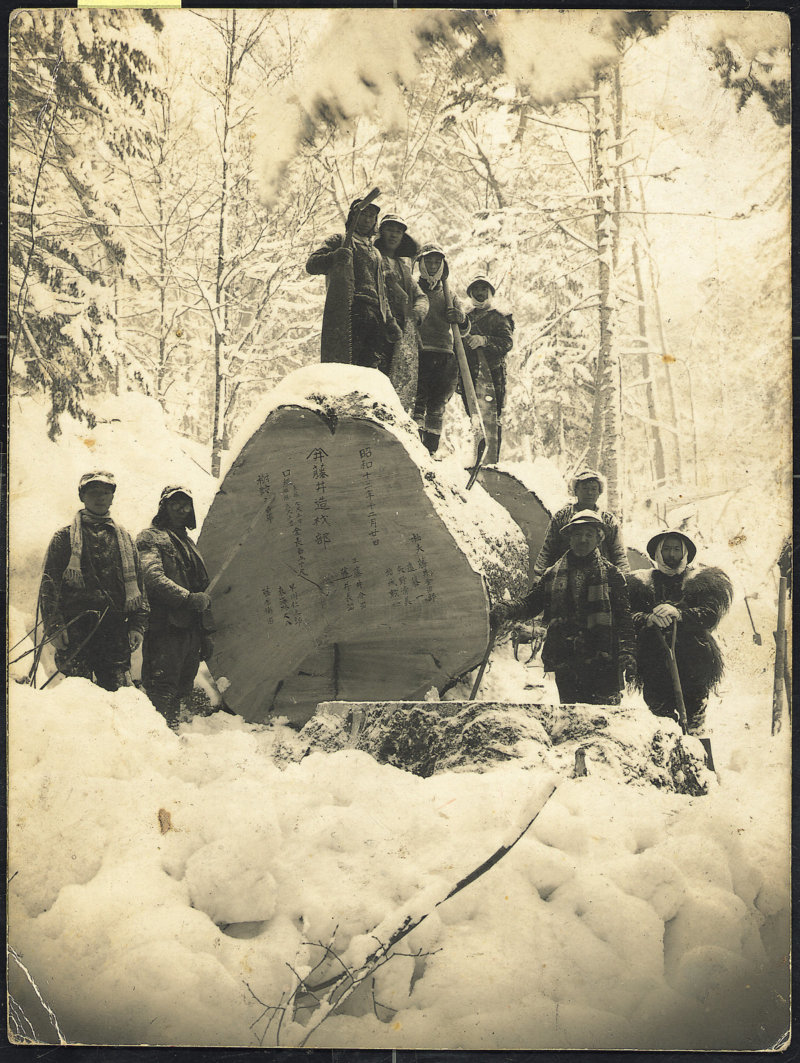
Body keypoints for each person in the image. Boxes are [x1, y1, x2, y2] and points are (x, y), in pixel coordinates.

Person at [492, 511, 636, 705]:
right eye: (577, 534)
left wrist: (627, 652)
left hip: (603, 658)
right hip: (566, 658)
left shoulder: (612, 574)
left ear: (599, 538)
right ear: (569, 538)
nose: (582, 539)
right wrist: (507, 608)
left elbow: (624, 618)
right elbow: (530, 604)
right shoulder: (552, 574)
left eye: (589, 534)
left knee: (604, 720)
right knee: (571, 718)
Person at [627, 529, 733, 764]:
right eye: (667, 549)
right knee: (660, 712)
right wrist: (647, 618)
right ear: (658, 552)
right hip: (653, 659)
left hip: (693, 660)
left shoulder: (700, 582)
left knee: (694, 712)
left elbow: (710, 615)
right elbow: (627, 616)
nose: (671, 554)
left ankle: (698, 764)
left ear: (685, 553)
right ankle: (668, 764)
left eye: (676, 549)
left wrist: (680, 614)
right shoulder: (639, 583)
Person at [39, 471, 148, 691]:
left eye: (106, 493)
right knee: (78, 696)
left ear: (112, 497)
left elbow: (139, 587)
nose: (100, 498)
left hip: (114, 633)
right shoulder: (65, 538)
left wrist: (137, 625)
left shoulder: (124, 539)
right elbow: (49, 588)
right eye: (94, 492)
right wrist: (55, 627)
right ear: (82, 497)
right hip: (76, 632)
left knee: (118, 697)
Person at [136, 486, 215, 730]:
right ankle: (156, 739)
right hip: (165, 629)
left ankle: (170, 733)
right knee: (161, 688)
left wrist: (205, 633)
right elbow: (152, 577)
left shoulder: (189, 543)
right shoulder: (150, 537)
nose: (181, 509)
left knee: (182, 687)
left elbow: (201, 587)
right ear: (163, 507)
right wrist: (187, 599)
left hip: (190, 630)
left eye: (186, 504)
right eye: (175, 503)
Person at [306, 197, 402, 372]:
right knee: (345, 364)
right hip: (350, 310)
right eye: (363, 214)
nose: (366, 219)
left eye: (371, 216)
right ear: (353, 217)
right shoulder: (339, 240)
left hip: (375, 315)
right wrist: (334, 257)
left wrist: (389, 320)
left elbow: (381, 292)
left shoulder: (376, 253)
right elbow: (311, 265)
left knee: (370, 368)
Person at [413, 243, 470, 454]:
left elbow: (462, 329)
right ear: (421, 263)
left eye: (437, 262)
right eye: (429, 261)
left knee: (437, 407)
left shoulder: (449, 294)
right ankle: (415, 448)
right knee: (417, 403)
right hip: (420, 351)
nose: (433, 265)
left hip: (445, 356)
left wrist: (460, 319)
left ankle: (430, 450)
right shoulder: (413, 287)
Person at [374, 213, 428, 409]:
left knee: (398, 379)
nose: (394, 235)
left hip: (402, 332)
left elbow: (421, 296)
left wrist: (416, 314)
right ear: (381, 232)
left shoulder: (403, 267)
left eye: (399, 232)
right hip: (378, 327)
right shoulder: (373, 257)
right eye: (390, 230)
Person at [534, 468, 629, 578]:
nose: (589, 493)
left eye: (594, 489)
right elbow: (548, 549)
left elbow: (619, 553)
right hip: (564, 576)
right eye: (584, 488)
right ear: (576, 491)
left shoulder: (608, 520)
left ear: (599, 492)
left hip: (599, 578)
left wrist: (625, 578)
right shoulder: (562, 517)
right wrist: (539, 575)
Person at [462, 275, 514, 457]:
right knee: (474, 418)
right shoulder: (465, 318)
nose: (480, 293)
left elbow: (507, 343)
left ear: (490, 292)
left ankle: (491, 459)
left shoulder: (499, 318)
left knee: (492, 419)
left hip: (493, 376)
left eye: (484, 289)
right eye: (476, 289)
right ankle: (477, 457)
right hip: (470, 375)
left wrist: (485, 341)